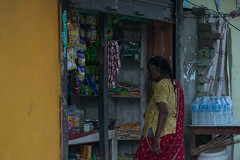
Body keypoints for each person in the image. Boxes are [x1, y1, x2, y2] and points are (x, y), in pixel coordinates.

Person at [135, 56, 185, 160]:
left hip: (159, 133)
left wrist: (157, 137)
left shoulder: (160, 85)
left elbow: (164, 111)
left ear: (158, 70)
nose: (149, 74)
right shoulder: (173, 84)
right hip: (172, 132)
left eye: (150, 71)